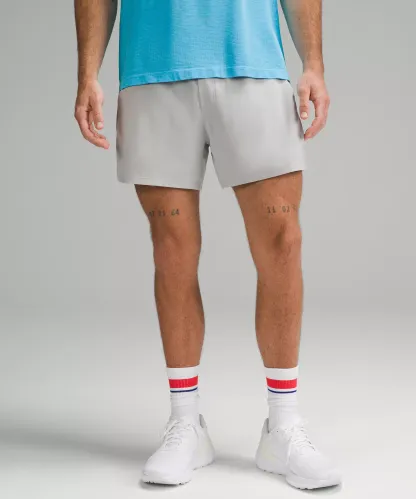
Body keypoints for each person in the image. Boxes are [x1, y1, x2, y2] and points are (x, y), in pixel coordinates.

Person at [74, 0, 341, 490]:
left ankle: (282, 426)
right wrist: (87, 71)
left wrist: (314, 64)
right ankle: (186, 423)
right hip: (153, 67)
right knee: (171, 250)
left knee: (282, 240)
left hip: (254, 61)